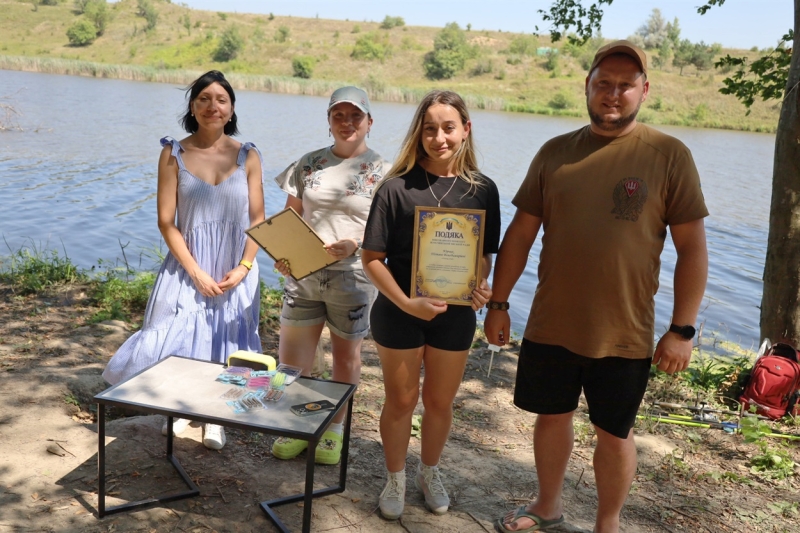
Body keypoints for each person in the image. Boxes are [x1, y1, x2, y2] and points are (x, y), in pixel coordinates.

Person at [486, 41, 709, 533]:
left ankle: (607, 524)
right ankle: (547, 507)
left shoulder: (668, 155)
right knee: (551, 417)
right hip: (551, 321)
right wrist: (498, 303)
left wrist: (683, 329)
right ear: (586, 86)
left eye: (625, 85)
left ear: (643, 91)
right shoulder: (555, 153)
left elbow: (692, 249)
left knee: (614, 433)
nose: (613, 94)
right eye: (603, 83)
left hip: (624, 331)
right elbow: (520, 234)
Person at [103, 70, 265, 451]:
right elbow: (166, 221)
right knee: (177, 333)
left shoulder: (248, 155)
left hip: (234, 265)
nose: (213, 106)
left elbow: (259, 220)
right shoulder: (173, 153)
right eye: (204, 98)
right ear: (192, 106)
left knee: (228, 338)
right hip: (187, 262)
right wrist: (194, 271)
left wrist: (243, 268)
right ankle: (175, 408)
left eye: (220, 99)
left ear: (231, 109)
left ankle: (216, 417)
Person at [361, 90, 501, 520]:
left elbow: (483, 256)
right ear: (418, 133)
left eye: (448, 127)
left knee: (440, 403)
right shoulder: (396, 188)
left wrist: (481, 286)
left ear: (465, 130)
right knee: (401, 402)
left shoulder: (483, 191)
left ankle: (430, 472)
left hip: (454, 317)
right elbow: (371, 259)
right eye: (429, 128)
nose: (438, 137)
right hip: (399, 311)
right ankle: (396, 476)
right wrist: (406, 302)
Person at [270, 86, 389, 465]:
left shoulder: (385, 172)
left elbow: (386, 232)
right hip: (303, 276)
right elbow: (290, 218)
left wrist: (355, 244)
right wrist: (283, 253)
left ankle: (333, 429)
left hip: (352, 279)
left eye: (356, 115)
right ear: (328, 121)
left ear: (370, 121)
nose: (347, 122)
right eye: (338, 115)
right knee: (293, 361)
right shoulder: (308, 164)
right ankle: (300, 424)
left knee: (344, 360)